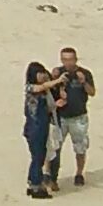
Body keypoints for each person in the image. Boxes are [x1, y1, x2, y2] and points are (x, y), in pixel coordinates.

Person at [50, 46, 96, 188]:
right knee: (55, 147)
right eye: (65, 59)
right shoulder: (58, 73)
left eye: (70, 59)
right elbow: (49, 91)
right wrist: (54, 78)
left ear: (76, 59)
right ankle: (52, 176)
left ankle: (79, 173)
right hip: (61, 117)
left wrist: (83, 82)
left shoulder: (85, 73)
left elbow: (92, 92)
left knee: (80, 147)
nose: (68, 63)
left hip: (79, 116)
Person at [24, 62, 60, 198]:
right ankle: (36, 186)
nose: (43, 76)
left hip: (42, 127)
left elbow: (49, 107)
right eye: (40, 73)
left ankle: (33, 182)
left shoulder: (45, 92)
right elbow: (42, 86)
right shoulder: (30, 87)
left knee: (39, 157)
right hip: (34, 128)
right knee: (37, 157)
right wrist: (57, 80)